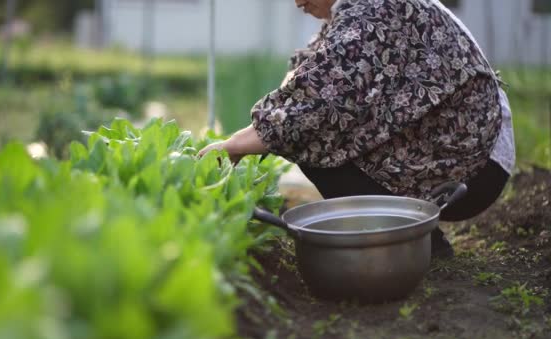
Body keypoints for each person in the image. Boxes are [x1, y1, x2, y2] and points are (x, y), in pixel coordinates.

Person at [198, 0, 516, 258]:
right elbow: (306, 78)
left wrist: (234, 144)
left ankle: (411, 242)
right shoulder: (351, 13)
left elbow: (317, 107)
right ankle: (417, 237)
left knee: (315, 137)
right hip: (457, 147)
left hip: (473, 164)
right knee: (310, 128)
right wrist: (265, 122)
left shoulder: (372, 10)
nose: (297, 3)